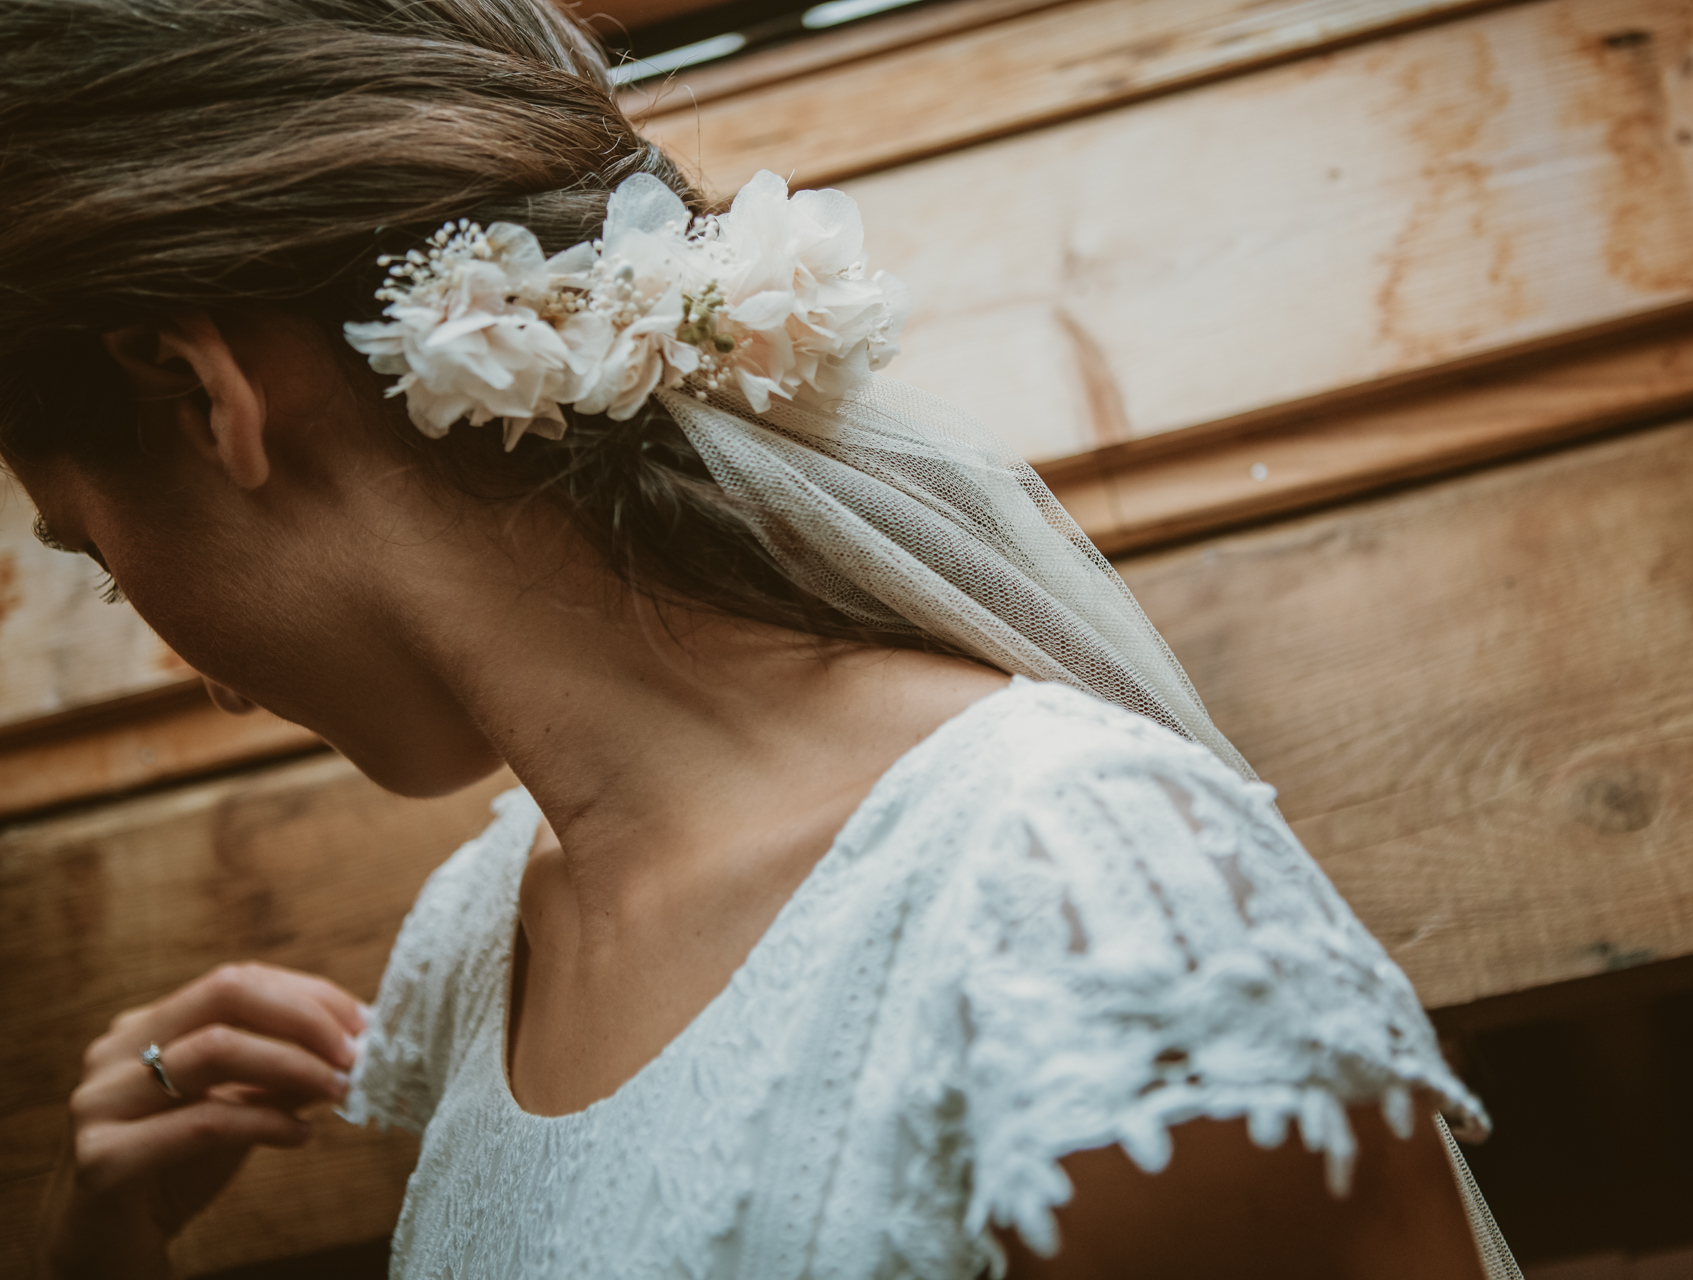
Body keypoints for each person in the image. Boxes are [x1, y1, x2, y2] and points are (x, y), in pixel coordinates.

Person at [6, 1, 1513, 1276]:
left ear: (205, 394)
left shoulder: (1072, 905)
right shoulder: (482, 949)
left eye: (103, 562)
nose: (192, 670)